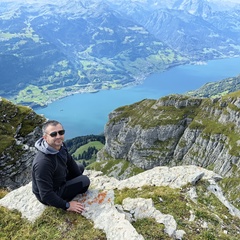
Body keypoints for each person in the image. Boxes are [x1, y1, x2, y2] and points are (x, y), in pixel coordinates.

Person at [32, 120, 90, 213]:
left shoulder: (60, 145)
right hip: (51, 193)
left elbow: (69, 160)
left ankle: (71, 183)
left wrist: (77, 176)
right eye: (53, 134)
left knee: (80, 167)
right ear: (45, 137)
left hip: (57, 179)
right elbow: (45, 194)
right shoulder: (43, 163)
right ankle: (64, 194)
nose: (58, 136)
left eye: (61, 132)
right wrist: (67, 205)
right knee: (85, 181)